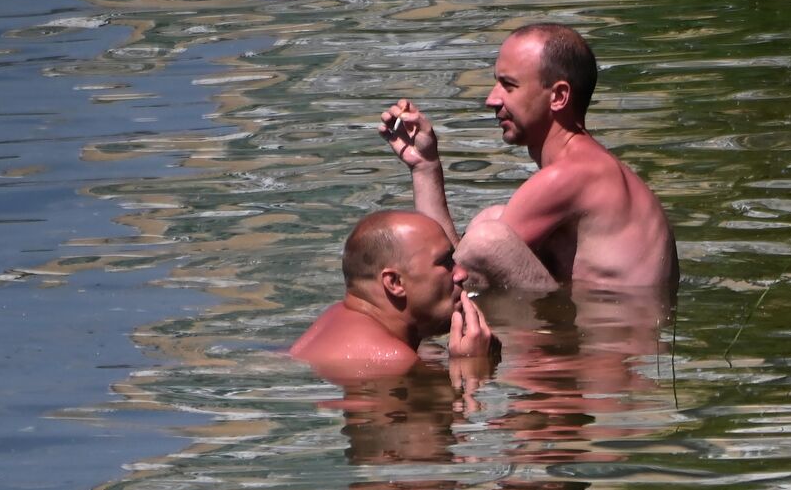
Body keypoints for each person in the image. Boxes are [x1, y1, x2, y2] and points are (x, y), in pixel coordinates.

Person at [378, 23, 678, 290]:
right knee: (492, 221)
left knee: (488, 241)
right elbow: (456, 264)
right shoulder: (594, 166)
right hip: (624, 339)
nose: (491, 100)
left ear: (559, 96)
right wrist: (424, 164)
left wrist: (427, 170)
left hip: (604, 345)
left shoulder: (569, 176)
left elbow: (447, 278)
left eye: (509, 86)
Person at [290, 210, 498, 381]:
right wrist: (471, 366)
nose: (462, 273)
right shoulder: (393, 363)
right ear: (395, 283)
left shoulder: (336, 316)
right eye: (445, 263)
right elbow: (418, 426)